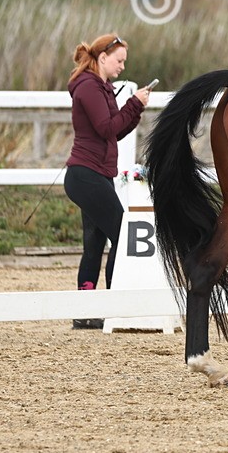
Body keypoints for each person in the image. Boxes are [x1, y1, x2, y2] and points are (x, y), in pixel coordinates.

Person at [63, 34, 151, 329]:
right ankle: (112, 304)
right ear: (103, 58)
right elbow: (106, 127)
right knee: (122, 236)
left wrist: (135, 107)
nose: (123, 66)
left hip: (94, 174)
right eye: (119, 60)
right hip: (87, 175)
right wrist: (133, 104)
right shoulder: (89, 87)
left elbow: (116, 131)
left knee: (95, 242)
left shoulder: (100, 87)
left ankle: (84, 310)